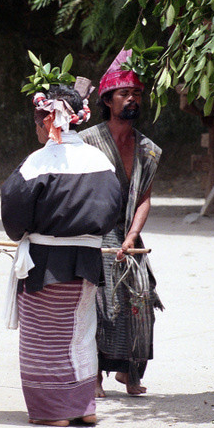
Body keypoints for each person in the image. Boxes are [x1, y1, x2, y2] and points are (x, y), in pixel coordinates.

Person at [1, 82, 121, 426]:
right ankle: (84, 407)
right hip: (86, 262)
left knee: (44, 336)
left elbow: (14, 212)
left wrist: (24, 233)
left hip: (45, 264)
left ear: (46, 120)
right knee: (79, 332)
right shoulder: (100, 161)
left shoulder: (37, 162)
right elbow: (113, 207)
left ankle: (54, 411)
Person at [79, 48, 163, 397]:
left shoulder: (149, 149)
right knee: (99, 304)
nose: (132, 99)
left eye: (137, 94)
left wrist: (131, 236)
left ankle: (131, 373)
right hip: (94, 234)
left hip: (130, 236)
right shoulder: (86, 142)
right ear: (108, 100)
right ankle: (95, 376)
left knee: (139, 302)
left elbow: (143, 197)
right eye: (124, 93)